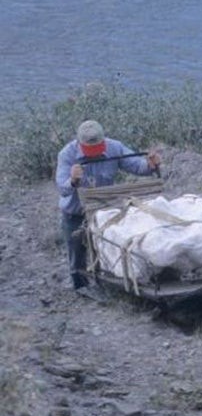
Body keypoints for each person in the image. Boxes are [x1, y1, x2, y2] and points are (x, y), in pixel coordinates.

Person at [55, 120, 161, 290]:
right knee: (76, 251)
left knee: (109, 247)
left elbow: (137, 167)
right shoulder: (67, 154)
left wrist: (151, 164)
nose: (94, 154)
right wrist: (73, 180)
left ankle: (110, 283)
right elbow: (62, 188)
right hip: (75, 212)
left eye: (97, 148)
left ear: (103, 140)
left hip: (104, 210)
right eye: (90, 150)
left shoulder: (114, 147)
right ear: (79, 144)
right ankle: (80, 287)